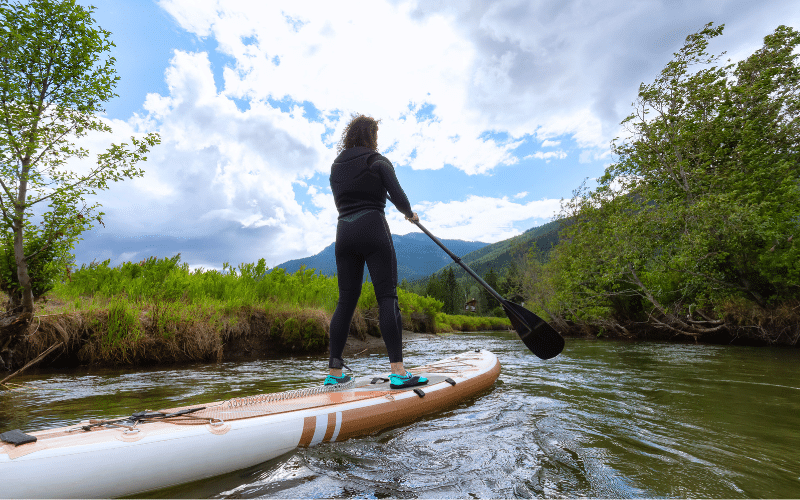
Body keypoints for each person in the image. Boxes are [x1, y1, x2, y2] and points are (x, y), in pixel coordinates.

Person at [325, 114, 427, 390]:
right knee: (387, 296)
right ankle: (398, 372)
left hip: (343, 233)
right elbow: (399, 196)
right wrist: (410, 214)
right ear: (371, 136)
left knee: (346, 300)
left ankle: (334, 372)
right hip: (372, 227)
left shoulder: (336, 166)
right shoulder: (378, 160)